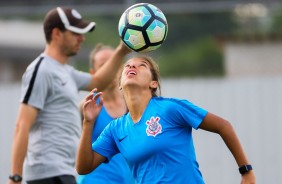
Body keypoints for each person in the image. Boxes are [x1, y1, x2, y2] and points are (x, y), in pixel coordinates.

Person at [76, 56, 256, 184]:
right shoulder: (116, 129)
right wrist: (88, 123)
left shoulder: (170, 109)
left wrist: (246, 171)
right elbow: (83, 167)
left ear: (153, 83)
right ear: (120, 84)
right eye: (128, 66)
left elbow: (224, 126)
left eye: (141, 65)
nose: (132, 67)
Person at [8, 6, 131, 184]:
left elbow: (98, 81)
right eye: (75, 33)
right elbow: (22, 125)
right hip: (47, 172)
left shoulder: (66, 72)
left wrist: (122, 50)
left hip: (64, 171)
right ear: (57, 33)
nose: (82, 38)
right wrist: (15, 177)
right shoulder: (41, 70)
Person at [77, 44, 134, 184]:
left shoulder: (133, 105)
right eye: (104, 65)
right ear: (93, 73)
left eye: (115, 63)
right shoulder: (87, 107)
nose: (112, 69)